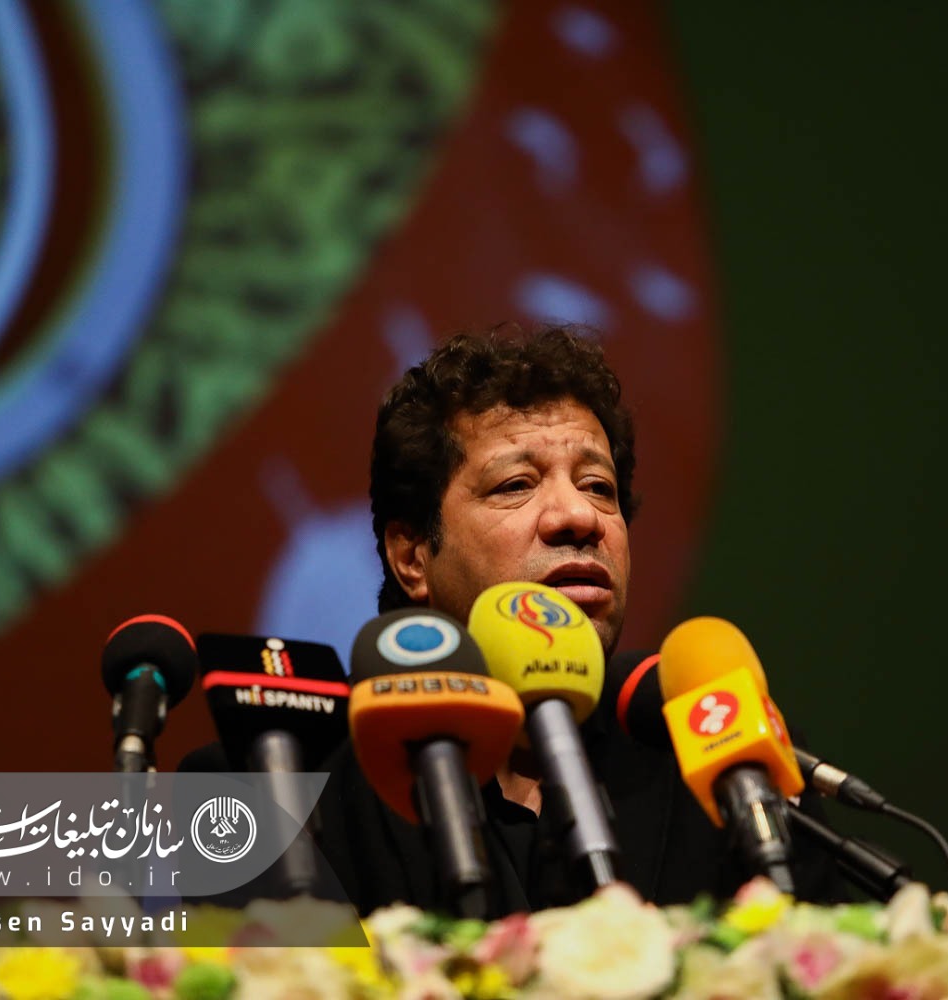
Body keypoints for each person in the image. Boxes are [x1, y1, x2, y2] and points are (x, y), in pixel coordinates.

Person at [316, 324, 847, 916]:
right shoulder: (287, 771)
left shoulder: (720, 752)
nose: (579, 516)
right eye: (515, 485)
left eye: (598, 487)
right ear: (413, 556)